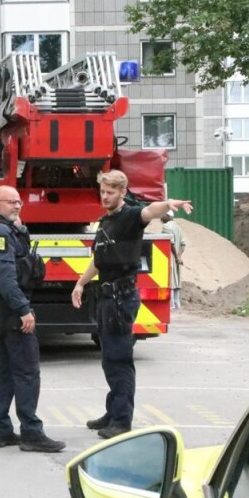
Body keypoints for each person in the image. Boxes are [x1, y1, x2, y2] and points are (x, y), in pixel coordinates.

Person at [71, 170, 193, 438]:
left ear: (122, 193)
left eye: (111, 192)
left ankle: (122, 421)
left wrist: (168, 203)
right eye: (103, 192)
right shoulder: (107, 221)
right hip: (105, 296)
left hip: (120, 298)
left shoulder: (128, 216)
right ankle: (112, 412)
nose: (105, 196)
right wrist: (80, 283)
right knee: (108, 359)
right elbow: (99, 258)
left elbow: (148, 212)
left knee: (120, 360)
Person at [0, 186, 65, 452]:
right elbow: (5, 277)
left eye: (19, 202)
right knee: (26, 371)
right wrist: (23, 309)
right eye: (11, 202)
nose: (17, 206)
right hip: (9, 309)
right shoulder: (0, 232)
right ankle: (31, 433)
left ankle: (1, 430)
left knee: (1, 370)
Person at [161, 211, 185, 309]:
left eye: (163, 215)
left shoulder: (166, 226)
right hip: (176, 258)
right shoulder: (178, 227)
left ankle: (171, 304)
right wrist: (179, 256)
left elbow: (170, 243)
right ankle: (177, 303)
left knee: (169, 279)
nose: (161, 217)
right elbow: (183, 244)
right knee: (176, 279)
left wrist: (175, 257)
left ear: (168, 216)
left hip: (170, 257)